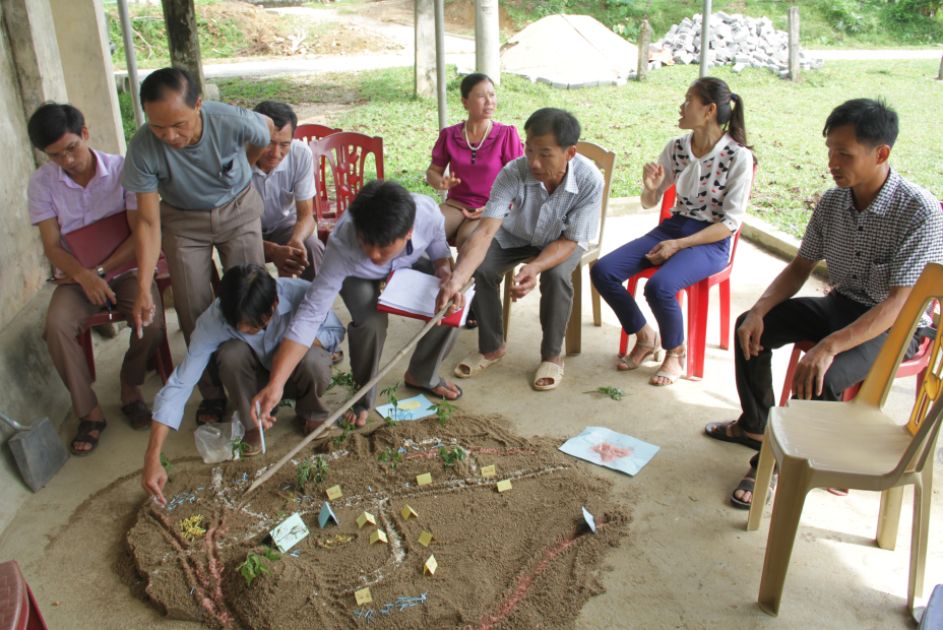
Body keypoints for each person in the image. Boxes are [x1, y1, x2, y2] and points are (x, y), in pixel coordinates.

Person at [703, 98, 943, 509]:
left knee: (825, 376)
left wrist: (830, 346)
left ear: (881, 153)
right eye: (830, 149)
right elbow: (800, 267)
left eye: (844, 154)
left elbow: (897, 305)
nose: (833, 162)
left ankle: (775, 464)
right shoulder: (833, 201)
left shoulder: (918, 212)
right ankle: (756, 424)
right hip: (843, 303)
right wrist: (760, 309)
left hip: (894, 324)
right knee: (751, 327)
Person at [122, 67, 274, 425]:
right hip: (182, 219)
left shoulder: (229, 119)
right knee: (193, 307)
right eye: (159, 127)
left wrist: (244, 168)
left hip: (238, 209)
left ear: (199, 106)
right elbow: (147, 221)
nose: (170, 136)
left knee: (252, 296)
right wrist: (143, 286)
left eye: (179, 124)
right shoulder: (143, 147)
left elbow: (266, 131)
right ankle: (212, 391)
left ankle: (260, 379)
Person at [252, 180, 462, 429]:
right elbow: (311, 314)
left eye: (382, 249)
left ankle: (422, 374)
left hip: (407, 263)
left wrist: (443, 270)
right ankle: (363, 396)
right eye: (365, 243)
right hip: (358, 274)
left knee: (452, 303)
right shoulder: (343, 242)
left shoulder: (427, 213)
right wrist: (276, 383)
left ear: (407, 234)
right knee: (371, 322)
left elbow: (438, 245)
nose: (373, 256)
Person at [591, 77, 754, 386]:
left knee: (660, 287)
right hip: (674, 227)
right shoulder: (677, 148)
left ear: (708, 110)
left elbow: (729, 224)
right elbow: (649, 201)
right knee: (603, 271)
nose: (681, 107)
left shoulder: (737, 157)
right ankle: (644, 336)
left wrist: (678, 245)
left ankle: (675, 353)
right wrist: (650, 188)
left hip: (711, 240)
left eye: (687, 100)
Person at [141, 263, 344, 504]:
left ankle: (311, 412)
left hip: (297, 372)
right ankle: (252, 425)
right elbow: (180, 383)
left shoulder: (301, 294)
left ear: (274, 305)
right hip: (255, 379)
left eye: (252, 326)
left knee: (314, 360)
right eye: (238, 326)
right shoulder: (214, 319)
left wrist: (293, 347)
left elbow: (336, 332)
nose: (244, 330)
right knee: (230, 354)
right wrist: (152, 457)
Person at [26, 102, 165, 455]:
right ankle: (89, 410)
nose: (68, 160)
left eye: (72, 148)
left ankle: (130, 385)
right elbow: (52, 246)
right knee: (56, 326)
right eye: (56, 155)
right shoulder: (42, 184)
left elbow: (140, 234)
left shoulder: (122, 169)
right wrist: (84, 276)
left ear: (85, 133)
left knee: (152, 319)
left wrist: (101, 270)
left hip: (124, 269)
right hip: (76, 277)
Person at [437, 107, 603, 391]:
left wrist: (537, 266)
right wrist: (456, 278)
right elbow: (486, 230)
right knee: (484, 268)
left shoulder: (589, 181)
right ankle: (492, 347)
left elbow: (571, 240)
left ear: (570, 152)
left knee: (556, 277)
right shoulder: (513, 171)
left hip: (561, 241)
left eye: (545, 154)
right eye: (530, 150)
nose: (534, 162)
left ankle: (552, 355)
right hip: (516, 235)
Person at [425, 73, 524, 248]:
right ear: (465, 102)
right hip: (456, 205)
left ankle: (462, 275)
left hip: (491, 207)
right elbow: (433, 172)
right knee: (427, 231)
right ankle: (443, 271)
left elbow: (520, 179)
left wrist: (498, 207)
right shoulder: (449, 135)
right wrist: (440, 182)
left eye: (492, 95)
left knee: (468, 238)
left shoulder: (506, 134)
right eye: (480, 96)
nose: (489, 101)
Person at [252, 100, 324, 280]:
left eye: (284, 144)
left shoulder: (301, 154)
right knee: (246, 266)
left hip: (284, 226)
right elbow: (234, 230)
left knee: (311, 247)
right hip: (244, 232)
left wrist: (296, 240)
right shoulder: (237, 157)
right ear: (253, 136)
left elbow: (306, 216)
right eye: (269, 143)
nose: (276, 153)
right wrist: (274, 250)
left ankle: (314, 306)